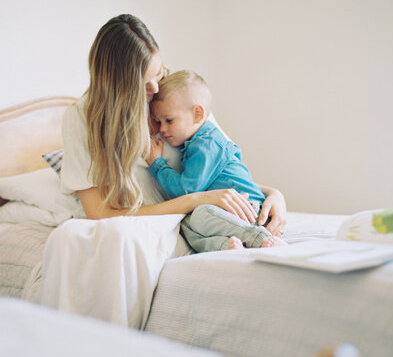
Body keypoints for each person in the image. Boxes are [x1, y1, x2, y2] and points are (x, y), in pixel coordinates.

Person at [61, 14, 287, 231]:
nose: (155, 89)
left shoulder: (175, 95)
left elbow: (222, 167)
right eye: (142, 85)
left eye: (158, 73)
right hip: (155, 227)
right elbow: (101, 214)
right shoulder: (81, 119)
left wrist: (273, 194)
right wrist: (195, 200)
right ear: (117, 88)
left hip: (204, 217)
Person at [146, 70, 287, 252]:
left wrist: (157, 164)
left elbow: (187, 191)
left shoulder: (207, 144)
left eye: (169, 120)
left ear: (197, 114)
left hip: (249, 209)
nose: (162, 129)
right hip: (234, 213)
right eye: (158, 122)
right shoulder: (194, 143)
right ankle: (226, 246)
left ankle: (261, 238)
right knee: (187, 227)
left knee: (200, 215)